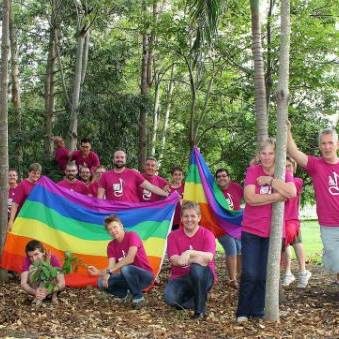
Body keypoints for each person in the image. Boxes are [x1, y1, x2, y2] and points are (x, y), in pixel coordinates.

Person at [236, 138, 296, 322]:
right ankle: (242, 311)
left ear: (277, 155)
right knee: (250, 273)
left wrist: (270, 180)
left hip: (273, 233)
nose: (267, 157)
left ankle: (257, 310)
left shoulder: (283, 172)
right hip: (252, 230)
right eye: (264, 153)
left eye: (271, 153)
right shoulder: (253, 171)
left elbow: (292, 192)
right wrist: (278, 196)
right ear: (259, 155)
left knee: (263, 274)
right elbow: (250, 198)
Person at [287, 124, 339, 284]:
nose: (327, 146)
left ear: (337, 144)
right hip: (329, 225)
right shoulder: (316, 165)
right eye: (323, 143)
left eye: (330, 142)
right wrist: (288, 130)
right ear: (319, 146)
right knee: (336, 262)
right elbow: (294, 152)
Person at [164, 201, 216, 319]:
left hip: (204, 276)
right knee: (170, 299)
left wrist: (189, 253)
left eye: (193, 216)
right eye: (186, 216)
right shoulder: (173, 236)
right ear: (181, 219)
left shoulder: (207, 234)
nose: (189, 219)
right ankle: (200, 295)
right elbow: (175, 260)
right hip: (181, 277)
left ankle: (199, 310)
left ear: (199, 218)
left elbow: (208, 258)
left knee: (197, 269)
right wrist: (196, 258)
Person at [88, 215, 154, 308]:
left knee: (126, 268)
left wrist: (109, 272)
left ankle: (138, 298)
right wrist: (99, 272)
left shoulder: (132, 235)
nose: (113, 231)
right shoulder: (111, 245)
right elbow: (111, 267)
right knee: (101, 282)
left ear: (121, 226)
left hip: (144, 276)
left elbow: (130, 258)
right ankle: (126, 295)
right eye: (110, 229)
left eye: (115, 227)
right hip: (127, 278)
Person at [282, 157, 311, 288]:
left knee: (296, 243)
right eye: (284, 166)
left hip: (292, 219)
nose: (286, 169)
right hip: (281, 220)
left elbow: (288, 191)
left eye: (289, 166)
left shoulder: (297, 181)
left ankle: (303, 271)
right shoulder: (281, 182)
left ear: (294, 167)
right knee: (285, 246)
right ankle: (288, 273)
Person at [97, 150, 169, 202]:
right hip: (114, 212)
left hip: (132, 212)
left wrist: (166, 194)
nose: (119, 159)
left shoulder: (134, 174)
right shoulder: (105, 176)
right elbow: (99, 198)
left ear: (125, 160)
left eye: (122, 157)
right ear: (113, 160)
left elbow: (151, 187)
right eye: (117, 157)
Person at [215, 168, 243, 289]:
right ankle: (232, 279)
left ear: (229, 177)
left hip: (236, 226)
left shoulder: (236, 187)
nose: (222, 178)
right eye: (219, 176)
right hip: (221, 226)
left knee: (240, 248)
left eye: (224, 176)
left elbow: (248, 197)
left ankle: (241, 275)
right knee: (231, 248)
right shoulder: (213, 191)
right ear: (216, 180)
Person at [21, 240, 65, 305]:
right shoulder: (27, 260)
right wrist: (35, 292)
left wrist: (47, 292)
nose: (34, 259)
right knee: (32, 268)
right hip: (36, 288)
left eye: (36, 254)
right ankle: (38, 297)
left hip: (51, 288)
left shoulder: (52, 258)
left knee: (51, 270)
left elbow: (62, 283)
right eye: (30, 256)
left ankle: (53, 296)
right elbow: (23, 283)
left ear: (43, 252)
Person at [8, 163, 42, 231]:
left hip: (37, 219)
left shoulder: (40, 185)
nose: (36, 175)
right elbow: (15, 204)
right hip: (24, 219)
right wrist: (11, 221)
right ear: (29, 173)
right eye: (33, 173)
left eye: (38, 173)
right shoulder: (22, 185)